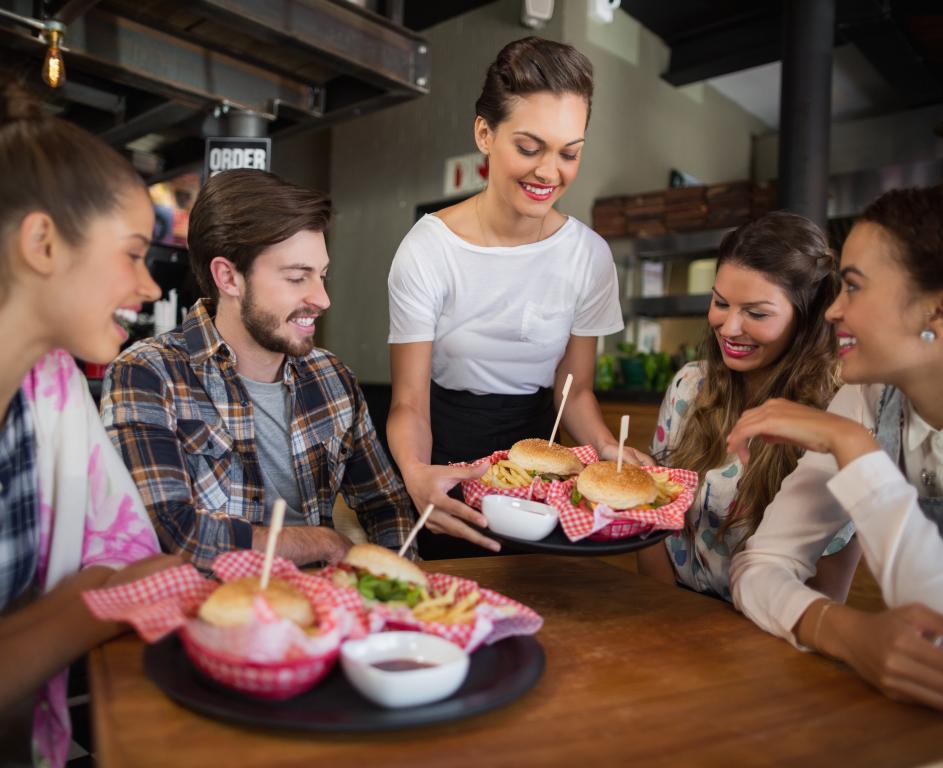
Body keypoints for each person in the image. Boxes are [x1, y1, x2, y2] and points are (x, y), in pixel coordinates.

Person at [727, 182, 943, 714]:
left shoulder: (855, 424)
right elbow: (760, 564)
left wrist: (854, 449)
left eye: (854, 287)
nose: (833, 311)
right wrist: (846, 633)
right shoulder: (870, 395)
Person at [387, 37, 649, 559]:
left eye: (569, 153)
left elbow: (572, 393)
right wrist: (417, 474)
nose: (549, 173)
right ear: (484, 132)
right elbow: (409, 403)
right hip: (448, 453)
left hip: (544, 464)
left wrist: (603, 447)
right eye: (529, 148)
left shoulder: (589, 257)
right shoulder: (428, 248)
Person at [103, 170, 417, 571]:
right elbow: (173, 533)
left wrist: (396, 588)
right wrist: (320, 541)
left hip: (327, 616)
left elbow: (384, 503)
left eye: (321, 275)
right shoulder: (147, 374)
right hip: (206, 616)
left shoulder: (332, 377)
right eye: (296, 277)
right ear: (228, 277)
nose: (322, 299)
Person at [0, 82, 179, 767]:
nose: (152, 287)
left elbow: (121, 566)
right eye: (134, 253)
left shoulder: (45, 389)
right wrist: (90, 606)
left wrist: (101, 590)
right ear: (43, 242)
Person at [637, 212, 858, 601]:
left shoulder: (834, 416)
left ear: (804, 320)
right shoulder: (689, 385)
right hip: (672, 610)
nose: (729, 327)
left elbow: (827, 590)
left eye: (756, 313)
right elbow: (654, 521)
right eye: (721, 303)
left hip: (771, 632)